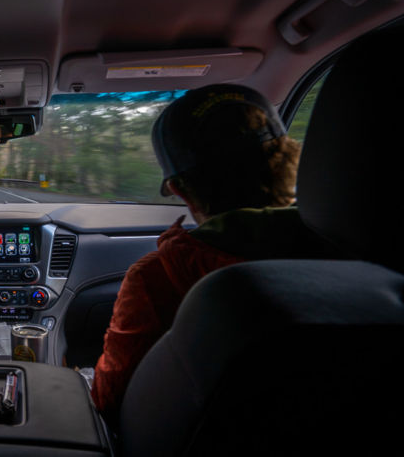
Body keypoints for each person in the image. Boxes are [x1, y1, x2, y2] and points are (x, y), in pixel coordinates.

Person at [90, 84, 340, 422]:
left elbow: (108, 399)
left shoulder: (158, 276)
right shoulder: (357, 255)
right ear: (291, 162)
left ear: (179, 190)